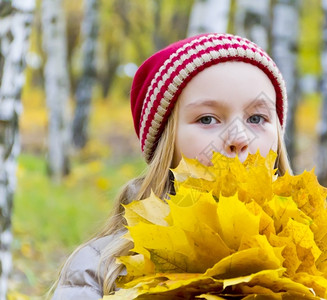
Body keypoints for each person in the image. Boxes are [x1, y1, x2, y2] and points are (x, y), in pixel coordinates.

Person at [51, 32, 292, 299]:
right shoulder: (101, 270)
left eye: (256, 118)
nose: (238, 138)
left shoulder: (315, 256)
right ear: (166, 143)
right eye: (208, 119)